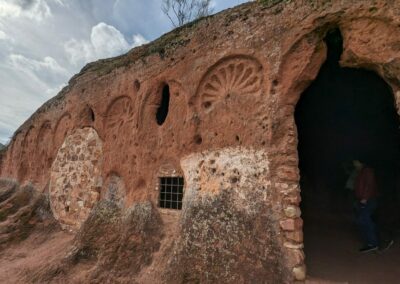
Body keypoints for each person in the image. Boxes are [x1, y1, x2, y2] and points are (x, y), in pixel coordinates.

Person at [353, 160, 379, 252]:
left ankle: (373, 243)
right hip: (362, 199)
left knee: (365, 219)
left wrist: (365, 198)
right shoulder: (360, 171)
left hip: (368, 200)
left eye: (356, 162)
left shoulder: (367, 171)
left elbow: (369, 185)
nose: (354, 164)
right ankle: (369, 242)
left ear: (361, 162)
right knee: (361, 220)